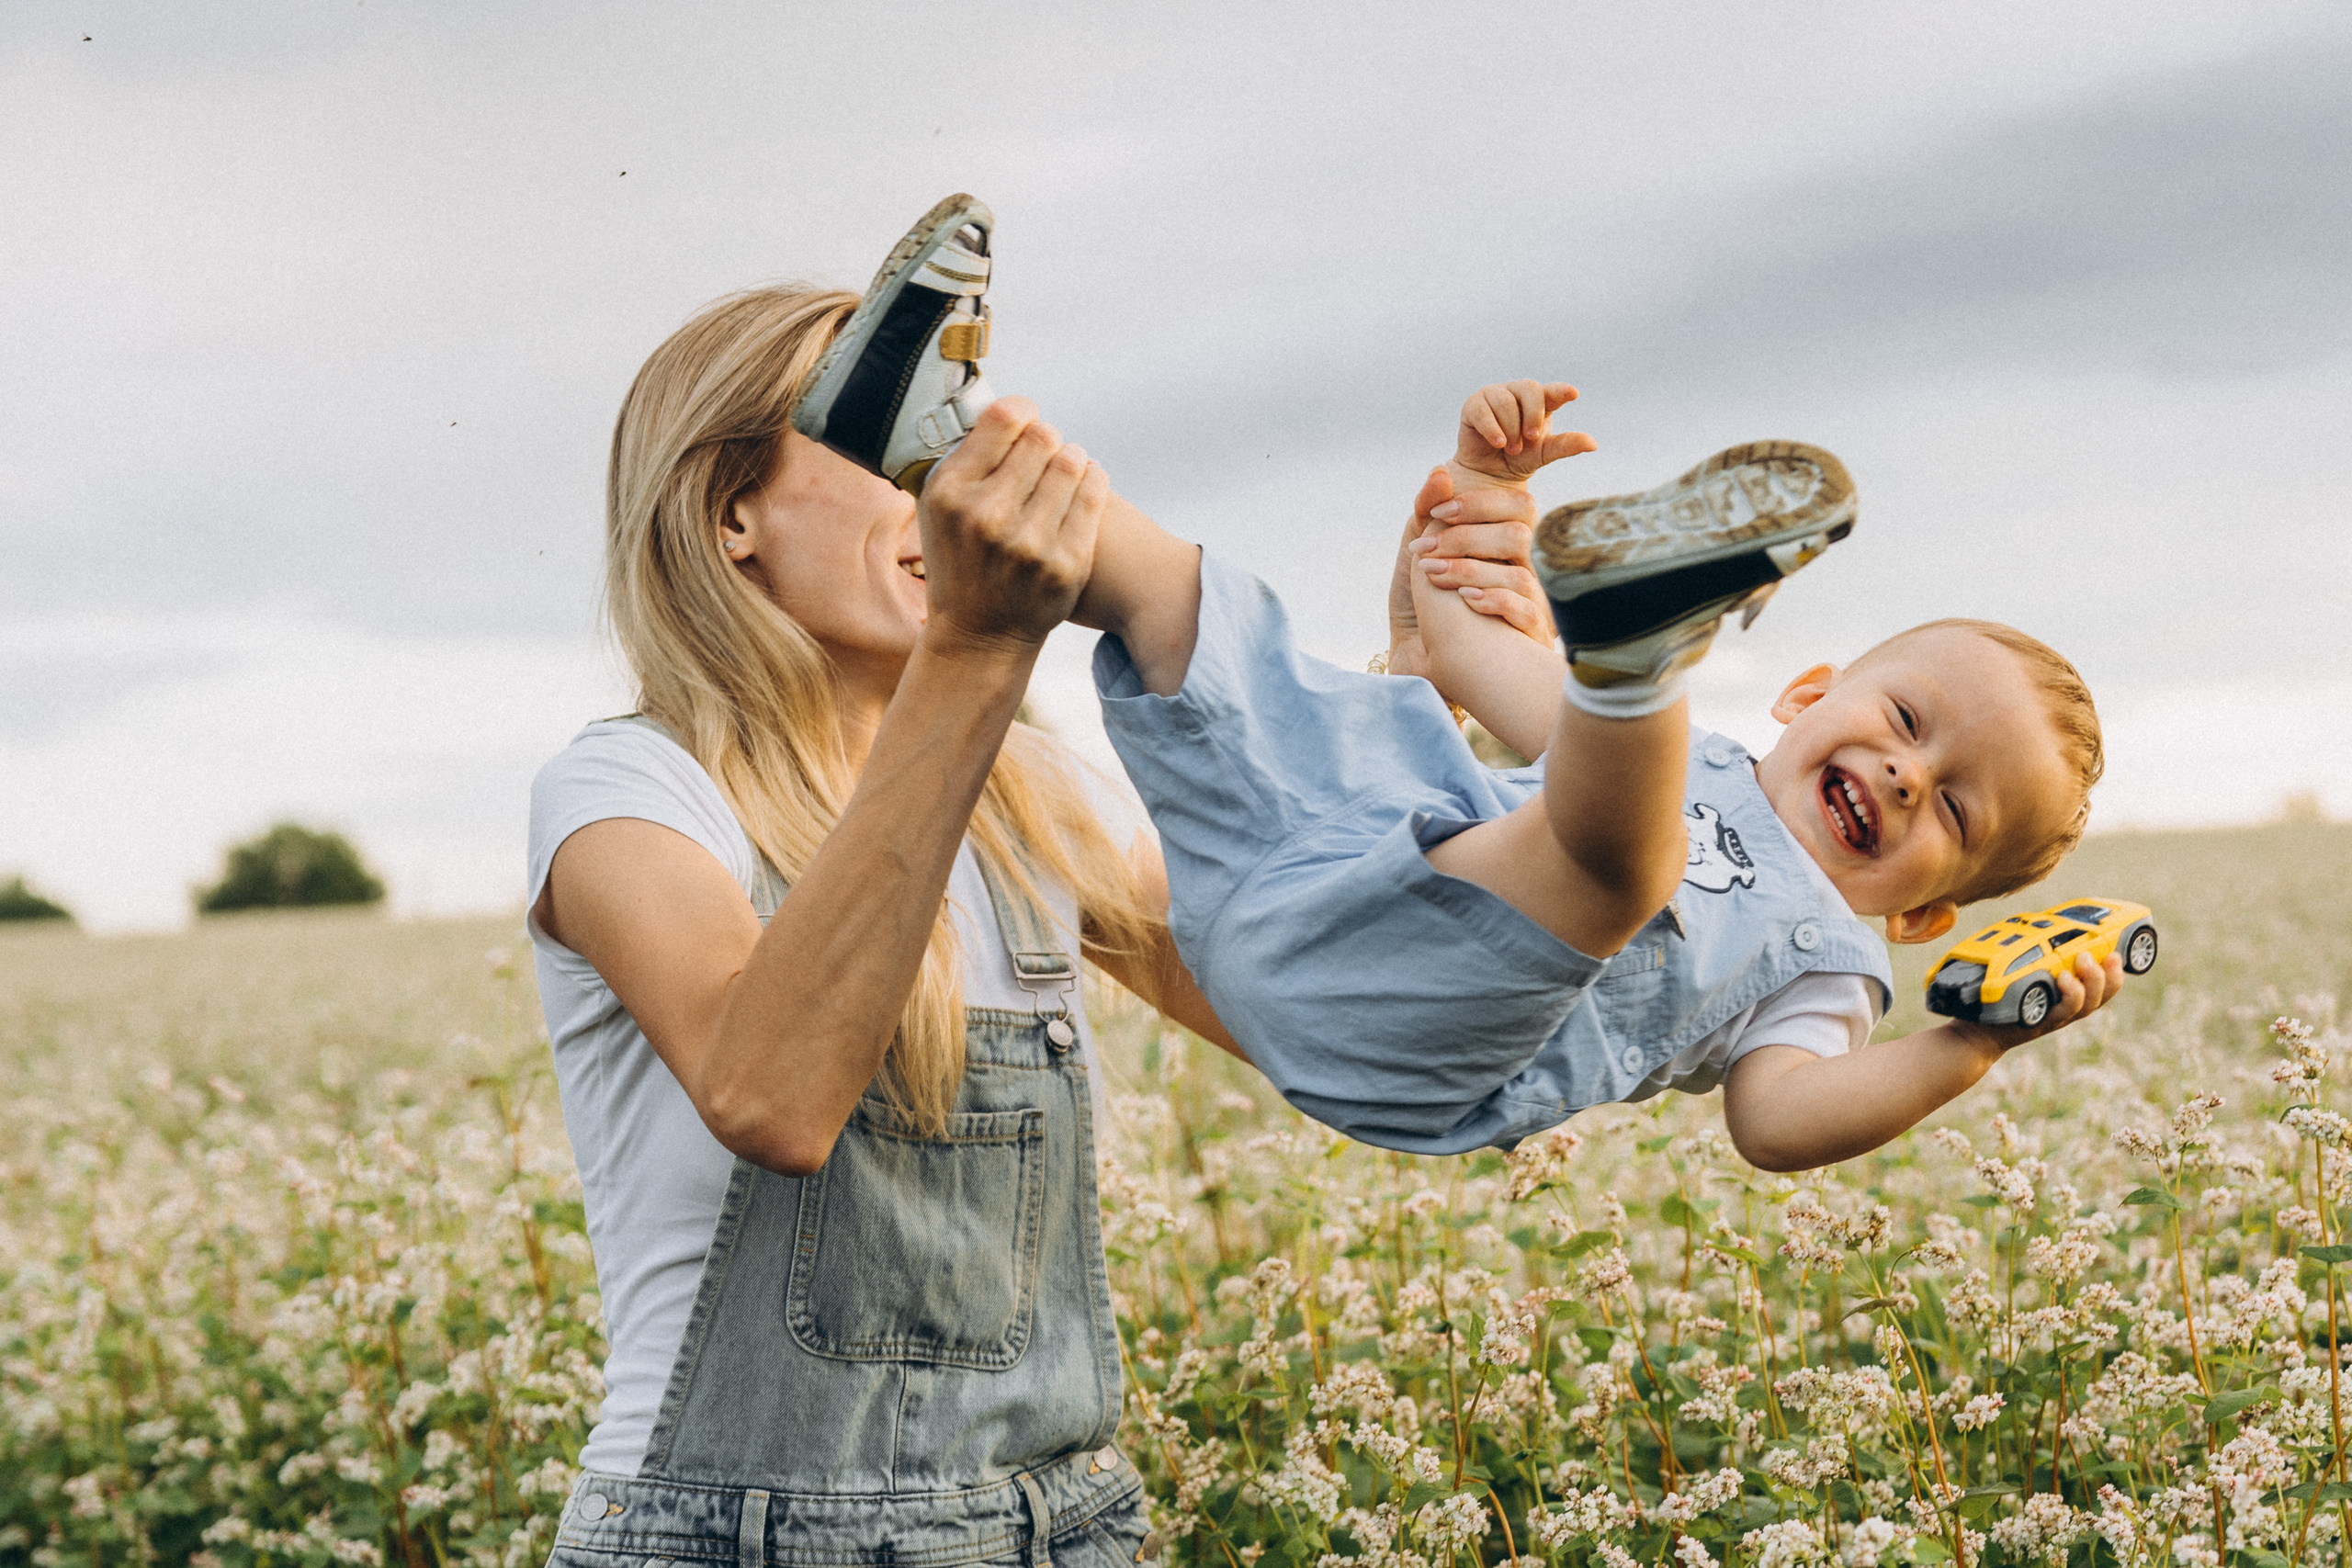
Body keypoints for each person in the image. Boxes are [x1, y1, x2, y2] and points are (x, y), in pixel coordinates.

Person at [525, 198, 1548, 1568]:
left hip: (1053, 1530)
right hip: (738, 1537)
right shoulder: (629, 793)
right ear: (731, 518)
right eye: (888, 433)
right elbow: (771, 1095)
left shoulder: (1035, 811)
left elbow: (1334, 1002)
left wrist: (1428, 698)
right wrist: (980, 648)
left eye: (954, 429)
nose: (945, 478)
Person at [1066, 378, 2124, 1170]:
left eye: (1953, 810)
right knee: (1187, 603)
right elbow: (1470, 657)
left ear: (1919, 917)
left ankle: (1639, 642)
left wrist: (1968, 1046)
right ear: (1805, 694)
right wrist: (1486, 497)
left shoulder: (1830, 962)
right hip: (1299, 886)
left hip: (1404, 1033)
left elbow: (1775, 1124)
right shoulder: (1681, 760)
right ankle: (977, 450)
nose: (1905, 775)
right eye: (1905, 721)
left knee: (1628, 865)